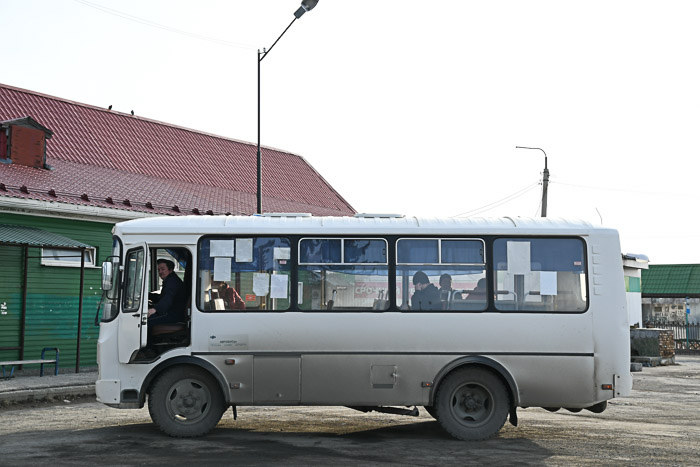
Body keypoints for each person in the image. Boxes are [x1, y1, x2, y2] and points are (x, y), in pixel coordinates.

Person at [147, 259, 188, 327]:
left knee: (144, 321)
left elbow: (168, 298)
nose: (160, 272)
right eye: (158, 270)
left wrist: (155, 309)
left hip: (174, 314)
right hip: (171, 312)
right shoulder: (170, 280)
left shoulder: (172, 282)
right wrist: (148, 295)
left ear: (170, 270)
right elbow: (163, 297)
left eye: (163, 269)